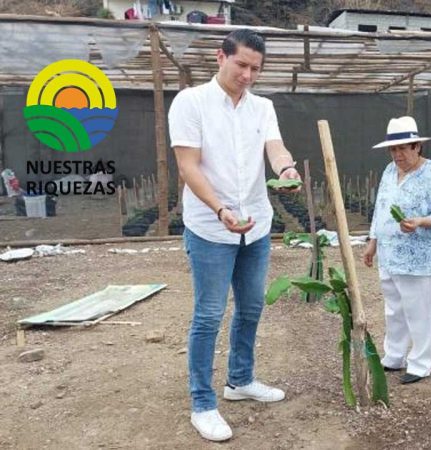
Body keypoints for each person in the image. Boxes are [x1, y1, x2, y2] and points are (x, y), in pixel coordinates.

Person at [168, 29, 302, 442]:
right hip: (211, 227)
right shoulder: (190, 102)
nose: (247, 75)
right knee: (208, 315)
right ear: (220, 57)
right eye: (241, 64)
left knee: (251, 307)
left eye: (255, 69)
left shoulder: (262, 107)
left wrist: (286, 169)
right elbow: (188, 167)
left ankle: (240, 381)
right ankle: (203, 403)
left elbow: (274, 146)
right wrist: (220, 209)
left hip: (256, 225)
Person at [362, 116, 431, 385]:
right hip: (390, 256)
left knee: (420, 311)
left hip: (420, 260)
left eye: (403, 148)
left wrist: (421, 222)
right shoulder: (390, 172)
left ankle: (421, 363)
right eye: (393, 149)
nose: (397, 154)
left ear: (417, 147)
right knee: (394, 309)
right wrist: (372, 242)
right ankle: (394, 355)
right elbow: (380, 208)